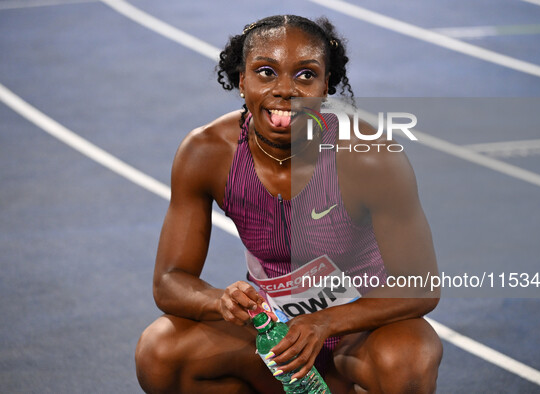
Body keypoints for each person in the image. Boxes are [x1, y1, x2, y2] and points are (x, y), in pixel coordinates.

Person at [135, 14, 442, 394]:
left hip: (360, 336)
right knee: (160, 351)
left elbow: (422, 285)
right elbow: (169, 281)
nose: (285, 90)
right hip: (271, 337)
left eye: (305, 75)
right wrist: (221, 301)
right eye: (266, 72)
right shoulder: (207, 153)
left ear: (325, 85)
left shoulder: (369, 157)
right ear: (241, 79)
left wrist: (327, 321)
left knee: (407, 359)